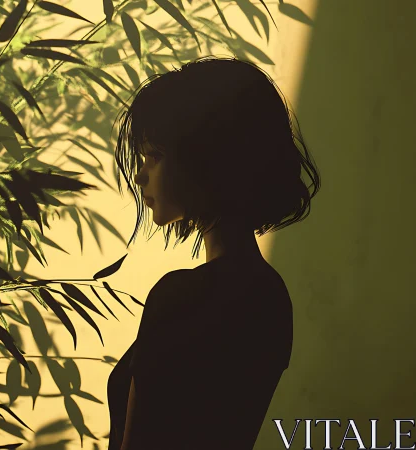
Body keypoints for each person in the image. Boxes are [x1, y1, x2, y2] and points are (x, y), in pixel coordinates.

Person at [106, 56, 321, 449]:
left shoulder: (181, 297)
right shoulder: (271, 296)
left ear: (202, 157)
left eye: (153, 156)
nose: (140, 175)